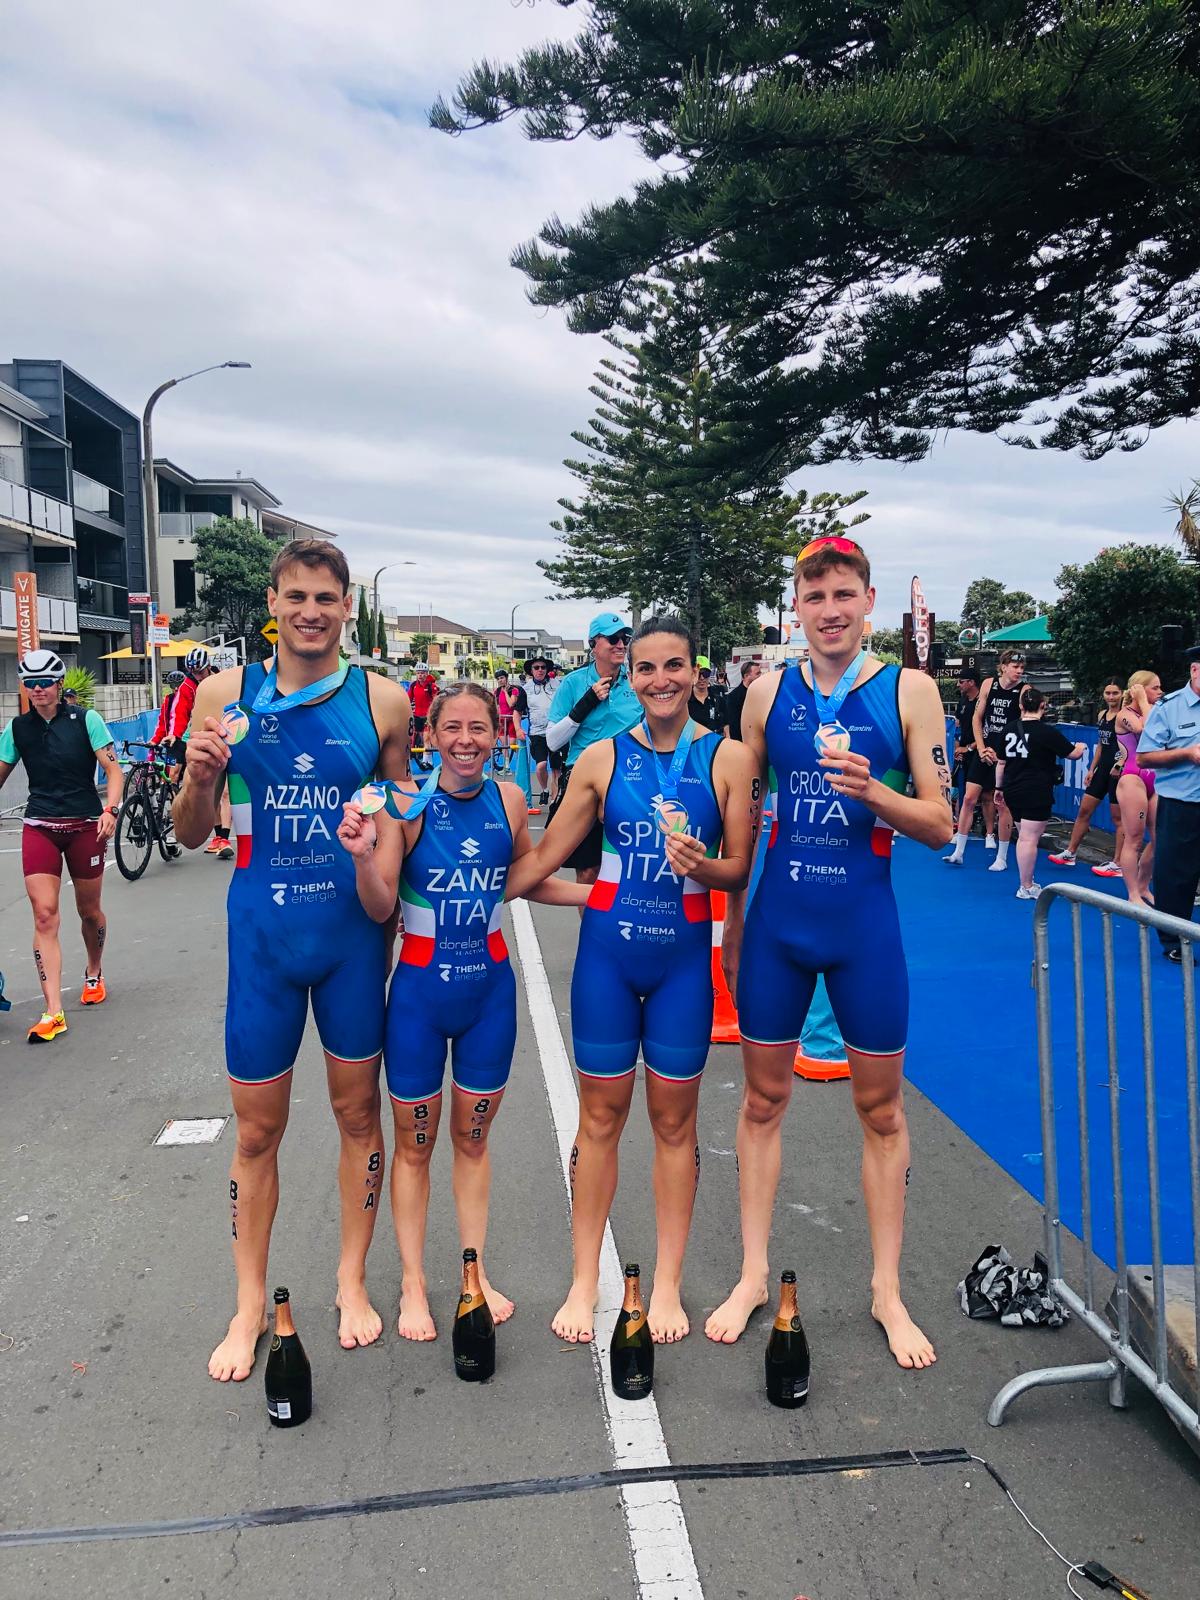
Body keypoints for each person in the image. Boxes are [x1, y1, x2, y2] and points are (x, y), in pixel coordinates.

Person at [709, 536, 952, 1369]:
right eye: (815, 598)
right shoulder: (765, 694)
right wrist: (732, 925)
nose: (831, 611)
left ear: (868, 602)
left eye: (845, 594)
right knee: (761, 1103)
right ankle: (749, 1274)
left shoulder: (908, 691)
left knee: (881, 1111)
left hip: (864, 930)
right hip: (778, 925)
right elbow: (741, 819)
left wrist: (874, 791)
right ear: (797, 609)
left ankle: (886, 1288)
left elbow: (943, 823)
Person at [173, 539, 413, 1381]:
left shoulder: (382, 702)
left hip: (349, 943)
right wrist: (201, 777)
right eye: (296, 595)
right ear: (272, 602)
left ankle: (351, 1279)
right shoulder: (222, 695)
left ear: (348, 606)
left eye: (327, 597)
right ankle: (249, 1303)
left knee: (357, 1117)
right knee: (257, 1130)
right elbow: (191, 831)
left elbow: (398, 822)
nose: (311, 611)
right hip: (264, 943)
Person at [507, 616, 757, 1344]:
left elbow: (739, 867)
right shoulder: (599, 759)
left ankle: (669, 1283)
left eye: (674, 666)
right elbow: (546, 857)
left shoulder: (730, 758)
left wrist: (700, 868)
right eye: (645, 668)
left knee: (675, 1125)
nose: (660, 680)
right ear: (628, 674)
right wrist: (453, 875)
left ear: (697, 675)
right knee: (600, 1121)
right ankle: (586, 1278)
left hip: (682, 965)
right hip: (607, 964)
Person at [338, 683, 587, 1340]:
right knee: (415, 1148)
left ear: (497, 735)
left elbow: (525, 880)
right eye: (453, 727)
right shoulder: (407, 804)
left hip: (488, 997)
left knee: (473, 1143)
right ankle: (414, 1284)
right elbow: (379, 904)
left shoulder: (508, 801)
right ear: (432, 737)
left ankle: (473, 1272)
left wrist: (601, 893)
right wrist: (364, 857)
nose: (467, 740)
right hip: (419, 999)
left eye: (479, 728)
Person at [0, 649, 124, 1042]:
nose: (37, 691)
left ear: (59, 684)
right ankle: (53, 1010)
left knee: (88, 911)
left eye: (44, 683)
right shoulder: (16, 729)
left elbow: (112, 768)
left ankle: (93, 969)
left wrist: (112, 809)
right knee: (44, 915)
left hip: (86, 825)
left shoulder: (86, 721)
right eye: (30, 684)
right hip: (40, 826)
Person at [545, 612, 641, 887]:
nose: (621, 644)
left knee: (631, 869)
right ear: (593, 644)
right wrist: (587, 702)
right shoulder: (573, 683)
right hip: (584, 779)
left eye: (625, 638)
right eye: (613, 639)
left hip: (629, 778)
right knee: (588, 872)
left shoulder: (636, 680)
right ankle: (592, 930)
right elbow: (553, 741)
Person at [1138, 644, 1200, 962]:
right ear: (1194, 669)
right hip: (1182, 805)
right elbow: (1145, 756)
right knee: (1176, 875)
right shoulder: (1170, 707)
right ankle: (1174, 940)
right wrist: (1187, 754)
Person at [943, 651, 1026, 867]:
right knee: (969, 798)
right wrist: (980, 749)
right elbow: (976, 718)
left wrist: (1002, 754)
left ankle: (1002, 857)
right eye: (1015, 667)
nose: (1019, 671)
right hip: (984, 751)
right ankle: (958, 851)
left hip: (1005, 754)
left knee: (1003, 804)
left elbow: (1024, 725)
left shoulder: (1023, 690)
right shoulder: (990, 684)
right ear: (1004, 667)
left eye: (1021, 668)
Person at [1002, 688, 1086, 899]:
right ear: (1043, 706)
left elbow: (1001, 762)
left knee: (1024, 837)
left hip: (1013, 787)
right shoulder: (1046, 732)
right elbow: (1073, 754)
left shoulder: (1009, 728)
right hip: (1036, 789)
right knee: (1029, 839)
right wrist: (1082, 747)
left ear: (1021, 706)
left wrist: (998, 787)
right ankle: (1026, 885)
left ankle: (1026, 881)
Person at [1048, 679, 1124, 869]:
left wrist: (1121, 764)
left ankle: (1118, 862)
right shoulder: (1102, 714)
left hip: (1118, 773)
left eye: (1115, 693)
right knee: (1083, 811)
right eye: (1108, 693)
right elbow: (1100, 744)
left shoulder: (1125, 717)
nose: (1111, 697)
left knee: (1118, 819)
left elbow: (1132, 744)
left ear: (1123, 693)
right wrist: (1091, 769)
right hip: (1102, 770)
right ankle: (1070, 852)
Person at [1113, 671, 1163, 906]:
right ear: (1140, 690)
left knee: (1160, 837)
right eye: (1155, 688)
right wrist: (1143, 701)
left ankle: (1143, 886)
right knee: (1134, 838)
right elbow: (1146, 729)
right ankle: (1133, 893)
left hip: (1155, 779)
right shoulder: (1124, 715)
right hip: (1133, 779)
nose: (1160, 692)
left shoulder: (1156, 710)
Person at [950, 669, 991, 833]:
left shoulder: (983, 702)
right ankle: (961, 830)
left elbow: (987, 731)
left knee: (987, 794)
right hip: (964, 753)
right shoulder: (962, 701)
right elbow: (957, 727)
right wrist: (957, 748)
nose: (958, 684)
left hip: (981, 753)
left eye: (961, 681)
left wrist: (969, 748)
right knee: (965, 794)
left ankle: (989, 833)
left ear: (971, 682)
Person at [523, 655, 557, 807]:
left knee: (557, 768)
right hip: (537, 733)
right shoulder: (526, 689)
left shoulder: (557, 684)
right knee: (541, 765)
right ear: (531, 671)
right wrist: (517, 728)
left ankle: (554, 801)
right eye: (536, 667)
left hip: (557, 731)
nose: (540, 670)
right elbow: (517, 710)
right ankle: (544, 789)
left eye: (543, 667)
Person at [493, 670, 526, 771]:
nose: (500, 680)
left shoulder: (514, 690)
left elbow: (511, 704)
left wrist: (506, 692)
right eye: (498, 679)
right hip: (502, 720)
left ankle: (522, 762)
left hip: (512, 720)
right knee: (504, 745)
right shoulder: (497, 691)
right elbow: (497, 705)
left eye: (502, 678)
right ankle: (506, 767)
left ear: (506, 678)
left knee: (512, 745)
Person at [723, 659, 762, 742]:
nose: (760, 676)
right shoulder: (733, 697)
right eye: (757, 674)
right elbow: (734, 726)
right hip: (743, 742)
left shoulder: (762, 694)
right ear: (746, 676)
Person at [688, 655, 724, 732]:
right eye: (699, 674)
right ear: (693, 674)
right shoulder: (685, 699)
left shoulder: (718, 698)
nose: (702, 678)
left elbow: (726, 726)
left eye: (706, 674)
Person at [409, 668, 437, 764]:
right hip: (417, 715)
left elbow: (436, 702)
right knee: (422, 739)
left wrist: (433, 714)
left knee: (426, 738)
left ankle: (425, 761)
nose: (420, 675)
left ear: (426, 674)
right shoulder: (413, 686)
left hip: (427, 716)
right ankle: (429, 761)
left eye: (422, 673)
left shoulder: (431, 686)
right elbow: (408, 698)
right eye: (418, 673)